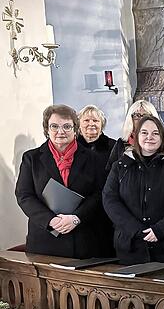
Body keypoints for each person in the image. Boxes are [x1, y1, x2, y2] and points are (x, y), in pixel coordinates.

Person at [15, 104, 111, 258]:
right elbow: (24, 196)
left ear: (75, 129)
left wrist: (77, 218)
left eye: (67, 126)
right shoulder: (31, 158)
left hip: (84, 241)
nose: (61, 132)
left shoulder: (94, 159)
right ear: (47, 129)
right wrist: (51, 220)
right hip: (45, 241)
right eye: (54, 126)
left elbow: (100, 194)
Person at [103, 115, 164, 266]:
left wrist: (160, 229)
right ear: (137, 136)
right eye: (144, 133)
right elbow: (109, 200)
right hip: (131, 247)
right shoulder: (120, 166)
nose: (149, 137)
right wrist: (136, 230)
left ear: (162, 137)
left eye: (155, 133)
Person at [105, 100, 159, 171]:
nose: (141, 119)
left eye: (146, 116)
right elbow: (110, 171)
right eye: (137, 115)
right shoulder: (121, 143)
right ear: (131, 119)